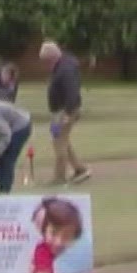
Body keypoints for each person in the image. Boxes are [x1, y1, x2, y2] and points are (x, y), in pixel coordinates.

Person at [41, 40, 91, 186]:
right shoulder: (60, 66)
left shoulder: (66, 69)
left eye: (46, 61)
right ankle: (80, 169)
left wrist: (68, 113)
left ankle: (59, 177)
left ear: (53, 57)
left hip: (65, 111)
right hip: (58, 112)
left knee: (59, 142)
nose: (45, 65)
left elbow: (72, 92)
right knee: (58, 138)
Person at [26, 197, 93, 273]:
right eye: (53, 233)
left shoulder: (81, 246)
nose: (58, 242)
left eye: (66, 235)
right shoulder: (43, 250)